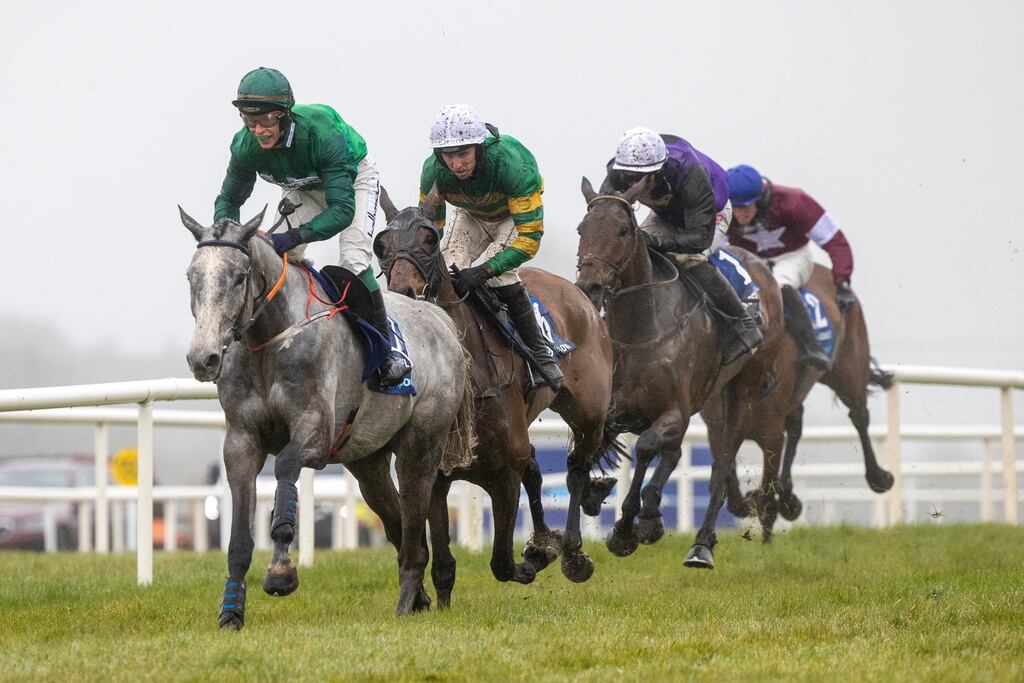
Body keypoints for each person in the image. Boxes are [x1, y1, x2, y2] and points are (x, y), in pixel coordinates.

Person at [213, 67, 411, 387]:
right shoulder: (244, 146)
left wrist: (293, 235)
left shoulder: (322, 134)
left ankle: (389, 350)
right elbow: (228, 201)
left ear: (285, 114)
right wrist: (225, 236)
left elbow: (342, 211)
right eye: (249, 122)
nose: (258, 131)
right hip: (302, 187)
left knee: (354, 259)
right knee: (274, 257)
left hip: (351, 182)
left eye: (266, 121)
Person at [419, 104, 563, 388]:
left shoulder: (511, 164)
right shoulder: (433, 171)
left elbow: (529, 240)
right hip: (471, 216)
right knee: (445, 270)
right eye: (448, 155)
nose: (456, 164)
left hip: (512, 218)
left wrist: (484, 270)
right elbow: (430, 230)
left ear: (480, 147)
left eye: (463, 154)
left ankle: (540, 353)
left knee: (499, 274)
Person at [605, 127, 763, 365]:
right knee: (631, 252)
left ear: (658, 172)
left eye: (638, 179)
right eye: (627, 176)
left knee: (690, 258)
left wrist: (656, 241)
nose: (630, 183)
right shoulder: (619, 171)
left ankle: (742, 324)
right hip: (666, 211)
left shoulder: (690, 176)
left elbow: (699, 239)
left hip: (709, 213)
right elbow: (607, 213)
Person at [726, 164, 856, 371]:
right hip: (749, 261)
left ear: (761, 199)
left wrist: (842, 282)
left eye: (746, 208)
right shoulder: (722, 208)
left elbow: (834, 240)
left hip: (792, 257)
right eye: (735, 207)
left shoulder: (794, 202)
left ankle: (810, 346)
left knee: (778, 285)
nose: (739, 215)